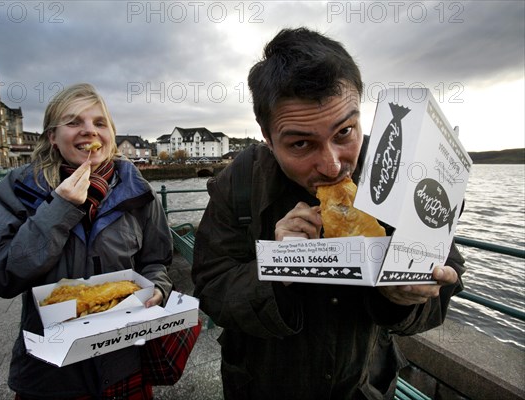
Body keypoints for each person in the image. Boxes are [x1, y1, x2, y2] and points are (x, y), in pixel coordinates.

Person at [192, 27, 466, 400]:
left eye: (344, 132)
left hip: (363, 385)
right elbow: (211, 287)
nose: (333, 166)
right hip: (263, 384)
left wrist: (408, 296)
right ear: (268, 137)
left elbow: (445, 277)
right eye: (301, 143)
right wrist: (279, 268)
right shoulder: (239, 182)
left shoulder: (401, 170)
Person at [0, 83, 174, 399]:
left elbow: (156, 261)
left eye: (99, 123)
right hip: (50, 372)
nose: (89, 132)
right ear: (52, 136)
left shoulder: (139, 193)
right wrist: (60, 208)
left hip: (123, 362)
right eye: (74, 122)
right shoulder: (19, 188)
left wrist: (158, 287)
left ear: (111, 134)